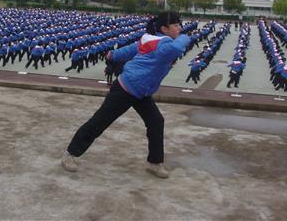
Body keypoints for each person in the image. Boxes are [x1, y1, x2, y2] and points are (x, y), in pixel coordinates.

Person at [61, 12, 190, 179]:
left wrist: (114, 54)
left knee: (156, 122)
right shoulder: (164, 44)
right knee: (100, 121)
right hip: (126, 88)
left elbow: (132, 49)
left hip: (142, 91)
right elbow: (176, 48)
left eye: (179, 25)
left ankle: (154, 162)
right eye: (176, 25)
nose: (179, 28)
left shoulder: (150, 39)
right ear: (164, 29)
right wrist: (185, 37)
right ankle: (70, 153)